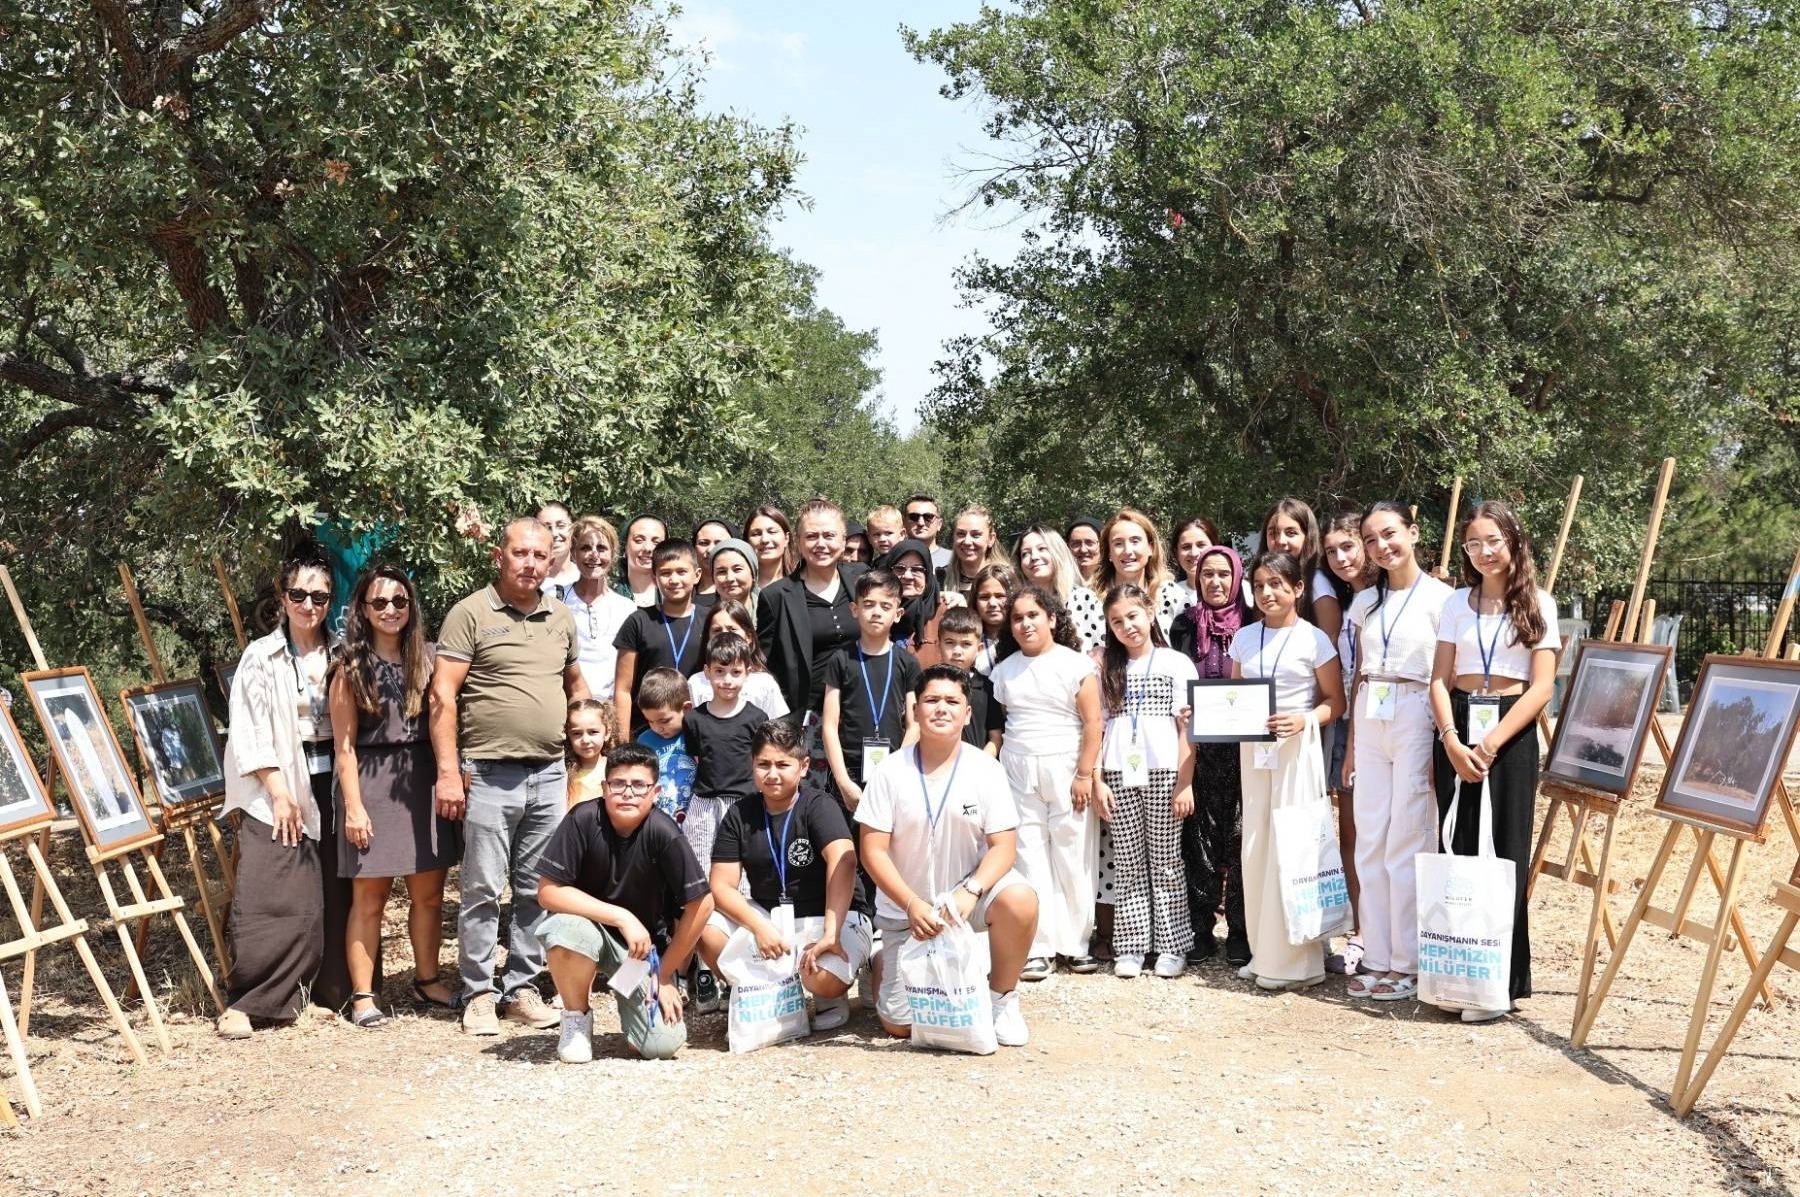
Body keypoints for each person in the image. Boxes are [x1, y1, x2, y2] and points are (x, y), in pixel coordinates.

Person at [431, 517, 588, 1035]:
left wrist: (587, 726)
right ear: (498, 556)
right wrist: (448, 773)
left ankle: (521, 986)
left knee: (533, 888)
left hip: (547, 773)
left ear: (550, 561)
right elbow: (442, 696)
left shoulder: (559, 617)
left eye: (540, 556)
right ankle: (478, 992)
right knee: (480, 888)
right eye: (520, 553)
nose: (529, 563)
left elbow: (573, 681)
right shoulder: (470, 614)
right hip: (487, 773)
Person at [857, 665, 1040, 1046]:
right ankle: (879, 958)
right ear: (915, 710)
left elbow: (1004, 846)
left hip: (965, 901)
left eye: (952, 701)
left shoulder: (987, 769)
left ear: (968, 712)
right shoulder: (889, 772)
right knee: (900, 1026)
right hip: (909, 911)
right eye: (931, 700)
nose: (942, 708)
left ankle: (1000, 998)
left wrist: (971, 891)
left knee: (1020, 899)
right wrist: (910, 904)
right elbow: (871, 851)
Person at [1429, 501, 1559, 1022]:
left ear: (1514, 541)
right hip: (1458, 724)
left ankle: (1498, 982)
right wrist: (1452, 740)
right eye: (1473, 544)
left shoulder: (1539, 603)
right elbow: (1439, 679)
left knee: (1504, 851)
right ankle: (1455, 973)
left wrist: (1489, 745)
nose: (1484, 552)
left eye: (1493, 541)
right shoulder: (1456, 603)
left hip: (1510, 733)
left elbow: (1542, 686)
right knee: (1457, 848)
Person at [217, 547, 344, 1038]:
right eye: (299, 594)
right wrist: (277, 789)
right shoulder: (260, 656)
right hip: (278, 786)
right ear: (282, 596)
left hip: (333, 781)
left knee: (332, 892)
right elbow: (246, 729)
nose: (309, 604)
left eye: (319, 595)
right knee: (273, 892)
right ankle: (251, 1001)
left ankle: (321, 992)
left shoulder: (343, 650)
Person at [331, 565, 460, 1028]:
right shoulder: (348, 667)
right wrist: (354, 807)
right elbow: (343, 747)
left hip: (424, 782)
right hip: (371, 782)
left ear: (411, 607)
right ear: (363, 609)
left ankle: (428, 980)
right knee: (369, 899)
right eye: (380, 602)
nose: (390, 610)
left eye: (400, 602)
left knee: (429, 896)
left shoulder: (430, 658)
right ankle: (364, 997)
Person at [535, 743, 713, 1062]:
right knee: (564, 929)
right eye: (618, 783)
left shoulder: (665, 832)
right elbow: (549, 892)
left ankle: (630, 1001)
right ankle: (576, 1018)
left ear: (655, 791)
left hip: (639, 956)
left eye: (639, 785)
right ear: (605, 788)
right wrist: (621, 917)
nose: (628, 792)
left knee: (661, 1044)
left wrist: (665, 974)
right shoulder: (582, 819)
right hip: (588, 934)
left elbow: (702, 904)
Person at [698, 718, 874, 1033]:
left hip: (831, 916)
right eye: (763, 764)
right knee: (707, 929)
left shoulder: (819, 805)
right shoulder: (740, 813)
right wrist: (759, 926)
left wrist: (830, 935)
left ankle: (832, 993)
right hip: (772, 918)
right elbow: (721, 886)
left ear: (804, 766)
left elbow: (843, 862)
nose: (773, 774)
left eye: (783, 764)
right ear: (752, 765)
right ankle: (767, 990)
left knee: (821, 978)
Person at [1343, 502, 1453, 1002]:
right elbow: (1359, 669)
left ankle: (1408, 962)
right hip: (1371, 711)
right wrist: (1349, 744)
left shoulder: (1444, 599)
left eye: (1389, 535)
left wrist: (1440, 735)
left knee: (1407, 836)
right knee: (1370, 835)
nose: (1382, 546)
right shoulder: (1365, 602)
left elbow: (1444, 675)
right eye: (1371, 539)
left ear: (1412, 532)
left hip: (1414, 709)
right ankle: (1378, 956)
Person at [1230, 552, 1345, 991]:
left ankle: (1297, 962)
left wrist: (1303, 720)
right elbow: (1235, 699)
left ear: (1298, 589)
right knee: (1256, 846)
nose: (1266, 593)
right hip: (1254, 754)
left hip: (1298, 750)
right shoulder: (1243, 638)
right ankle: (1264, 953)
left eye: (1277, 583)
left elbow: (1336, 701)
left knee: (1293, 847)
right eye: (1259, 585)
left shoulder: (1315, 639)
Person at [991, 585, 1103, 980]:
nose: (1025, 624)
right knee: (1029, 855)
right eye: (1017, 618)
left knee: (1073, 856)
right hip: (1019, 770)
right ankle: (1036, 946)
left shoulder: (1077, 665)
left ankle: (1075, 944)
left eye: (1033, 615)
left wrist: (1085, 774)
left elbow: (1093, 722)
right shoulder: (1002, 671)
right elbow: (1003, 724)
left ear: (1052, 618)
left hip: (1067, 767)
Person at [1096, 584, 1199, 979]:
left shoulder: (1175, 663)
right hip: (1120, 773)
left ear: (1150, 612)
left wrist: (1184, 782)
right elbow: (1100, 727)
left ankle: (1172, 945)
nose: (1127, 627)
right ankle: (1133, 945)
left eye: (1133, 616)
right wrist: (1098, 779)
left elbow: (1189, 730)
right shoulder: (1107, 667)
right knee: (1128, 861)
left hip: (1164, 772)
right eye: (1117, 622)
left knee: (1166, 860)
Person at [1171, 545, 1252, 964]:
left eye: (1224, 574)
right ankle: (1200, 928)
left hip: (1245, 749)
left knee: (1239, 838)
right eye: (1207, 575)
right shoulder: (1184, 626)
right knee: (1198, 839)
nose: (1215, 583)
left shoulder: (1254, 623)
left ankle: (1240, 929)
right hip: (1197, 746)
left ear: (1237, 577)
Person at [1321, 510, 1376, 974]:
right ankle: (1361, 930)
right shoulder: (1347, 601)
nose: (1341, 558)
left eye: (1349, 546)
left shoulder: (1385, 598)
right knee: (1352, 836)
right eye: (1332, 550)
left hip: (1387, 727)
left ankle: (1381, 932)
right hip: (1349, 729)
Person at [757, 498, 868, 717]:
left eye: (829, 535)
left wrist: (949, 596)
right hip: (806, 716)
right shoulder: (776, 596)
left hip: (861, 708)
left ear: (844, 540)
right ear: (798, 541)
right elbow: (765, 666)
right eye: (811, 536)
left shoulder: (863, 580)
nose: (821, 544)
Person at [822, 570, 920, 810]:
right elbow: (829, 725)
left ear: (897, 614)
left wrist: (898, 771)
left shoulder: (907, 662)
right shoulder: (841, 658)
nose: (876, 612)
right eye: (868, 604)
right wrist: (843, 781)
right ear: (855, 610)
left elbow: (915, 724)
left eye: (885, 606)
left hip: (896, 771)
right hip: (850, 772)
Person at [682, 636, 771, 875]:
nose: (727, 680)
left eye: (735, 672)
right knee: (699, 869)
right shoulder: (693, 719)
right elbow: (698, 758)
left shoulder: (757, 718)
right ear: (707, 672)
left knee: (742, 875)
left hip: (745, 804)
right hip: (705, 804)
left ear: (747, 673)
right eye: (720, 671)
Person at [612, 539, 706, 736]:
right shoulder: (639, 621)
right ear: (654, 578)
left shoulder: (710, 620)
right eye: (665, 573)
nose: (674, 580)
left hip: (699, 733)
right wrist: (621, 741)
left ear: (697, 575)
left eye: (681, 571)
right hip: (648, 732)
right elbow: (623, 689)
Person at [1067, 508, 1184, 652]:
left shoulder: (1171, 595)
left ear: (1150, 548)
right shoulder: (1084, 600)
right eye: (1118, 543)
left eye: (1135, 541)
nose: (1127, 550)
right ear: (1108, 552)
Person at [560, 515, 636, 700]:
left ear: (613, 553)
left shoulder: (627, 608)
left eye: (601, 548)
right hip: (567, 707)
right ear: (572, 554)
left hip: (609, 710)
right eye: (585, 547)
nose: (594, 555)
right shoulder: (556, 601)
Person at [686, 599, 790, 717]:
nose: (725, 635)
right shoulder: (696, 683)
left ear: (748, 637)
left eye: (732, 629)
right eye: (717, 630)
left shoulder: (764, 683)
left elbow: (777, 726)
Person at [1261, 498, 1342, 647]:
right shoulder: (1262, 583)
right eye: (1273, 533)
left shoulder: (1317, 583)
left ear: (1307, 536)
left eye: (1291, 533)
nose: (1281, 540)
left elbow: (1331, 647)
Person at [936, 606, 1005, 755]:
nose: (957, 651)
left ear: (979, 648)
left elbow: (996, 737)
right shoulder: (928, 684)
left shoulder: (988, 688)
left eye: (966, 644)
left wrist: (980, 764)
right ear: (938, 644)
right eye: (949, 642)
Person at [633, 667, 696, 826]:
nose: (656, 728)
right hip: (656, 821)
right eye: (650, 721)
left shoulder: (697, 735)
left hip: (693, 818)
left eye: (664, 721)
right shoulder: (644, 739)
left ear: (686, 709)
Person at [881, 536, 946, 663]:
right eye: (900, 568)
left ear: (927, 574)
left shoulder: (945, 611)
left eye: (917, 569)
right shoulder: (876, 609)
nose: (907, 576)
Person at [941, 505, 1011, 599]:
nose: (967, 541)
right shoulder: (940, 578)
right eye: (961, 534)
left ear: (991, 539)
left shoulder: (1007, 578)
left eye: (976, 535)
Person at [565, 698, 621, 810]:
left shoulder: (615, 768)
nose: (585, 740)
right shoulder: (564, 771)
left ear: (607, 733)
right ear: (568, 736)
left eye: (593, 732)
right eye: (577, 733)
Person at [1012, 523, 1081, 605]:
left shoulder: (1082, 599)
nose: (1034, 557)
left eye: (1042, 549)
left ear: (1059, 552)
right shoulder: (1016, 604)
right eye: (1025, 553)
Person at [1168, 517, 1220, 621]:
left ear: (1215, 547)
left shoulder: (1242, 591)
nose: (1194, 553)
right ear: (1176, 553)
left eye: (1201, 545)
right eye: (1186, 547)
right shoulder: (1169, 596)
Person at [970, 562, 1017, 675]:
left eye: (1000, 596)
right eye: (984, 597)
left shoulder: (1022, 641)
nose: (992, 603)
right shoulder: (967, 641)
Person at [744, 504, 797, 590]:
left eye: (772, 532)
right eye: (756, 534)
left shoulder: (802, 585)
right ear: (747, 541)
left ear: (786, 538)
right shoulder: (738, 588)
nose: (764, 539)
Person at [620, 515, 667, 606]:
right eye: (639, 540)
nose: (648, 548)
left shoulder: (677, 596)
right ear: (625, 547)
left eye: (656, 542)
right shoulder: (607, 597)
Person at [708, 538, 761, 615]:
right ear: (713, 577)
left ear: (753, 574)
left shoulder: (771, 614)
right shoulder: (703, 619)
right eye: (722, 572)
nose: (730, 578)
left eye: (737, 570)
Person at [902, 493, 952, 572]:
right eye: (914, 517)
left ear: (939, 524)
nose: (921, 523)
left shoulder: (954, 560)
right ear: (904, 523)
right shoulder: (893, 559)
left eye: (928, 517)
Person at [537, 502, 580, 593]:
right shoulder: (530, 580)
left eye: (561, 526)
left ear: (573, 530)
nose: (554, 534)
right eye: (547, 528)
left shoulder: (586, 577)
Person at [692, 519, 736, 594]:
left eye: (719, 543)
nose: (710, 550)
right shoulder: (683, 592)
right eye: (704, 543)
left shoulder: (742, 592)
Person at [1065, 517, 1104, 586]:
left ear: (1102, 546)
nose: (1083, 549)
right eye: (1076, 544)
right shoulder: (1060, 583)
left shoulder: (1114, 582)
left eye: (1090, 543)